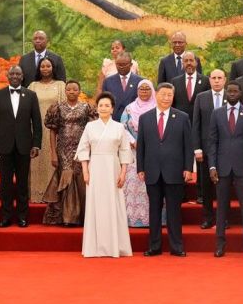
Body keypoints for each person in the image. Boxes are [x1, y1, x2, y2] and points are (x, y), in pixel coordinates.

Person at [136, 83, 193, 257]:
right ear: (157, 95)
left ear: (173, 97)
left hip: (175, 171)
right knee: (154, 210)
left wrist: (188, 168)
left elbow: (188, 145)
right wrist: (140, 167)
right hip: (152, 171)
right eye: (163, 94)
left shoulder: (182, 117)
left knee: (174, 211)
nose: (166, 98)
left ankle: (177, 246)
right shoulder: (145, 118)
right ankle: (154, 246)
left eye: (169, 95)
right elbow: (141, 146)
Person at [78, 92, 134, 258]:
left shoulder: (119, 127)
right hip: (95, 167)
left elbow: (124, 150)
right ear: (97, 108)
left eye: (107, 106)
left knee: (113, 203)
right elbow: (83, 149)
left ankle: (116, 246)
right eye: (101, 105)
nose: (103, 108)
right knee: (96, 204)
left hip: (113, 167)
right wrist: (85, 171)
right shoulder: (90, 126)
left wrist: (123, 173)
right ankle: (94, 247)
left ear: (112, 109)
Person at [0, 65, 43, 227]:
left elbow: (37, 123)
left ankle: (23, 216)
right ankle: (5, 216)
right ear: (8, 76)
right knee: (5, 184)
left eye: (18, 73)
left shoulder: (31, 96)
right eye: (12, 74)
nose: (15, 76)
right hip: (3, 147)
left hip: (25, 146)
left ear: (22, 76)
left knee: (23, 183)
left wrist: (36, 144)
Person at [208, 81, 243, 257]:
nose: (233, 94)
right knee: (221, 208)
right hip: (221, 168)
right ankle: (220, 244)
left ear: (241, 93)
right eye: (230, 91)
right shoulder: (217, 113)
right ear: (226, 93)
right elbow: (212, 142)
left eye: (236, 91)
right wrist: (212, 165)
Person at [43, 81, 95, 226]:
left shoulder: (87, 108)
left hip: (82, 149)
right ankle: (66, 218)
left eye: (75, 89)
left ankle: (81, 218)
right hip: (63, 149)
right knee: (66, 179)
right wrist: (53, 153)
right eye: (69, 89)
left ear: (80, 91)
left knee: (80, 180)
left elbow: (92, 130)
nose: (72, 91)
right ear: (65, 91)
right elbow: (52, 131)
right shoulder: (57, 108)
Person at [191, 68, 226, 229]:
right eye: (214, 78)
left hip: (226, 149)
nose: (217, 81)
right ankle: (207, 217)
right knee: (206, 187)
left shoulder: (231, 96)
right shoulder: (201, 97)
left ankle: (223, 219)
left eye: (220, 78)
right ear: (209, 80)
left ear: (225, 79)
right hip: (205, 150)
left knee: (223, 186)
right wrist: (197, 148)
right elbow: (196, 124)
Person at [119, 79, 155, 227]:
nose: (144, 91)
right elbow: (122, 127)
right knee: (134, 182)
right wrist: (133, 141)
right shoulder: (129, 108)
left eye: (147, 89)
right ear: (137, 91)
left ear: (152, 90)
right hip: (133, 152)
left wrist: (148, 142)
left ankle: (152, 218)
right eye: (142, 89)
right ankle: (132, 219)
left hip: (153, 151)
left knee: (150, 183)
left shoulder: (156, 108)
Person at [29, 57, 65, 203]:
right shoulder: (33, 86)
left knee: (53, 160)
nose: (45, 68)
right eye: (42, 66)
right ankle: (37, 193)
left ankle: (53, 194)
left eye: (48, 66)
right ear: (39, 69)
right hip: (36, 129)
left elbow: (63, 107)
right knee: (37, 161)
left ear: (53, 68)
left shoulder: (61, 85)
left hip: (55, 129)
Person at [101, 52, 139, 120]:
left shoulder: (140, 81)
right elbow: (104, 101)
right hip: (113, 120)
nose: (121, 67)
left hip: (133, 121)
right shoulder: (108, 81)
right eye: (118, 64)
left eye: (124, 64)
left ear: (131, 65)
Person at [171, 51, 209, 118]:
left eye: (191, 60)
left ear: (196, 63)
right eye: (186, 61)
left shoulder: (206, 80)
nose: (189, 63)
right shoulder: (175, 81)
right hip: (180, 120)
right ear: (182, 63)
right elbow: (173, 104)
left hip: (199, 120)